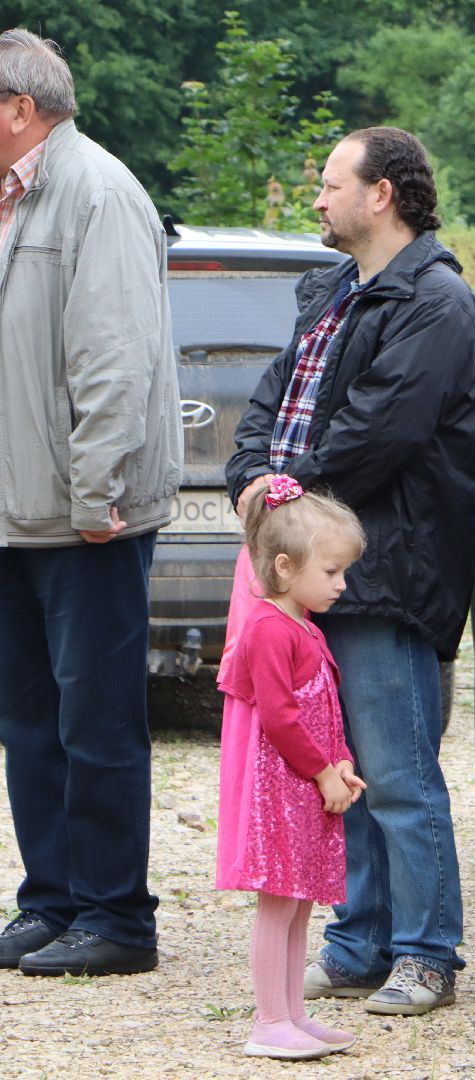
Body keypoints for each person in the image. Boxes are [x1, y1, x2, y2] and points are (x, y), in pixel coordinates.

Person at [227, 127, 475, 1016]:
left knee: (401, 775)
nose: (318, 198)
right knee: (342, 770)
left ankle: (427, 953)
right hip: (313, 566)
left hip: (387, 577)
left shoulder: (437, 302)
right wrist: (251, 479)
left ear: (382, 195)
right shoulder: (335, 292)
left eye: (332, 183)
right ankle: (360, 942)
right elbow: (272, 401)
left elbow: (378, 436)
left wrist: (280, 500)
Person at [0, 29, 181, 978]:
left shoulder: (98, 191)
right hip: (14, 513)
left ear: (19, 109)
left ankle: (118, 917)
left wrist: (97, 492)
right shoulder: (13, 197)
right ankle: (53, 900)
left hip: (84, 516)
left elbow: (111, 358)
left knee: (97, 723)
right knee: (27, 723)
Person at [216, 477, 367, 1060]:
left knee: (300, 901)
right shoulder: (267, 629)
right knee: (279, 903)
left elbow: (324, 705)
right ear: (284, 565)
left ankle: (294, 1014)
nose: (341, 584)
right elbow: (279, 716)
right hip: (283, 789)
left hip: (308, 785)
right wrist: (322, 771)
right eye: (330, 572)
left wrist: (343, 761)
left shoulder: (303, 625)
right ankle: (268, 1019)